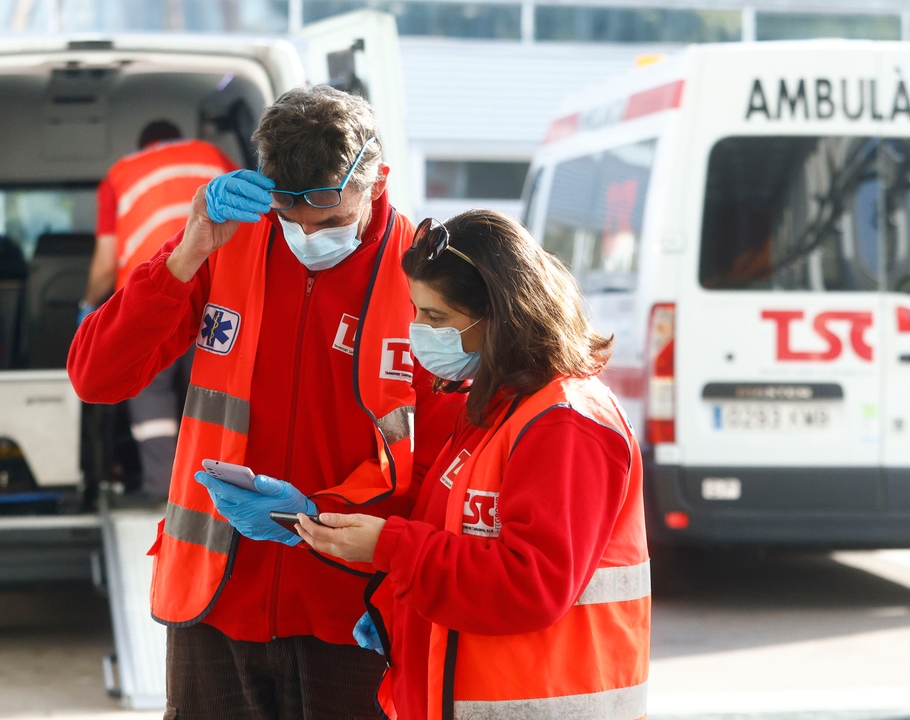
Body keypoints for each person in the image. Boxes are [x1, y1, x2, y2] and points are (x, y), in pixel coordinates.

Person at [68, 86, 461, 719]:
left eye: (330, 221)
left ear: (377, 178)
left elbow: (449, 466)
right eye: (290, 217)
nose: (307, 236)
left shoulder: (427, 277)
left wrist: (316, 516)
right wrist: (187, 248)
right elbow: (95, 376)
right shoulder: (227, 245)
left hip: (353, 616)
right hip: (214, 605)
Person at [293, 210, 652, 720]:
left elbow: (531, 585)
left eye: (435, 318)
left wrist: (391, 547)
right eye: (415, 312)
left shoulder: (565, 424)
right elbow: (452, 541)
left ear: (503, 315)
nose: (418, 333)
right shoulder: (495, 408)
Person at [81, 120, 238, 498]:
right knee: (212, 399)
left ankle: (164, 495)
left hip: (154, 304)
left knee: (153, 404)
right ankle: (219, 495)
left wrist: (88, 306)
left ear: (143, 145)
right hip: (220, 301)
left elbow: (105, 264)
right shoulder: (212, 156)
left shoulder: (120, 175)